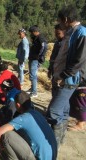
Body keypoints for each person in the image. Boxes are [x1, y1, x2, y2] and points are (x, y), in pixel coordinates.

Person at [46, 5, 86, 147]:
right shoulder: (71, 32)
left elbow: (79, 60)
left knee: (53, 112)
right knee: (62, 110)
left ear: (67, 19)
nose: (60, 23)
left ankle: (54, 144)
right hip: (62, 77)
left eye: (61, 20)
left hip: (68, 80)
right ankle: (59, 141)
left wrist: (63, 75)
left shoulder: (81, 33)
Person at [0, 91, 57, 160]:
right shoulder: (37, 114)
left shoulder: (23, 118)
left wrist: (0, 148)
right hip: (52, 156)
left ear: (18, 105)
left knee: (7, 135)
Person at [28, 25, 48, 97]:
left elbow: (44, 47)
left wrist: (40, 56)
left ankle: (34, 92)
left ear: (35, 32)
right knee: (32, 74)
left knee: (33, 75)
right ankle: (32, 88)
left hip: (35, 59)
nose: (31, 34)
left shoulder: (40, 38)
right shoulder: (36, 38)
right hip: (32, 58)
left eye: (31, 33)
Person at [47, 24, 66, 97]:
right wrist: (50, 69)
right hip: (54, 71)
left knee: (59, 92)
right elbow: (52, 57)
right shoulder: (57, 43)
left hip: (60, 73)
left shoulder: (66, 44)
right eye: (55, 33)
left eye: (58, 33)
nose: (56, 35)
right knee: (54, 89)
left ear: (64, 32)